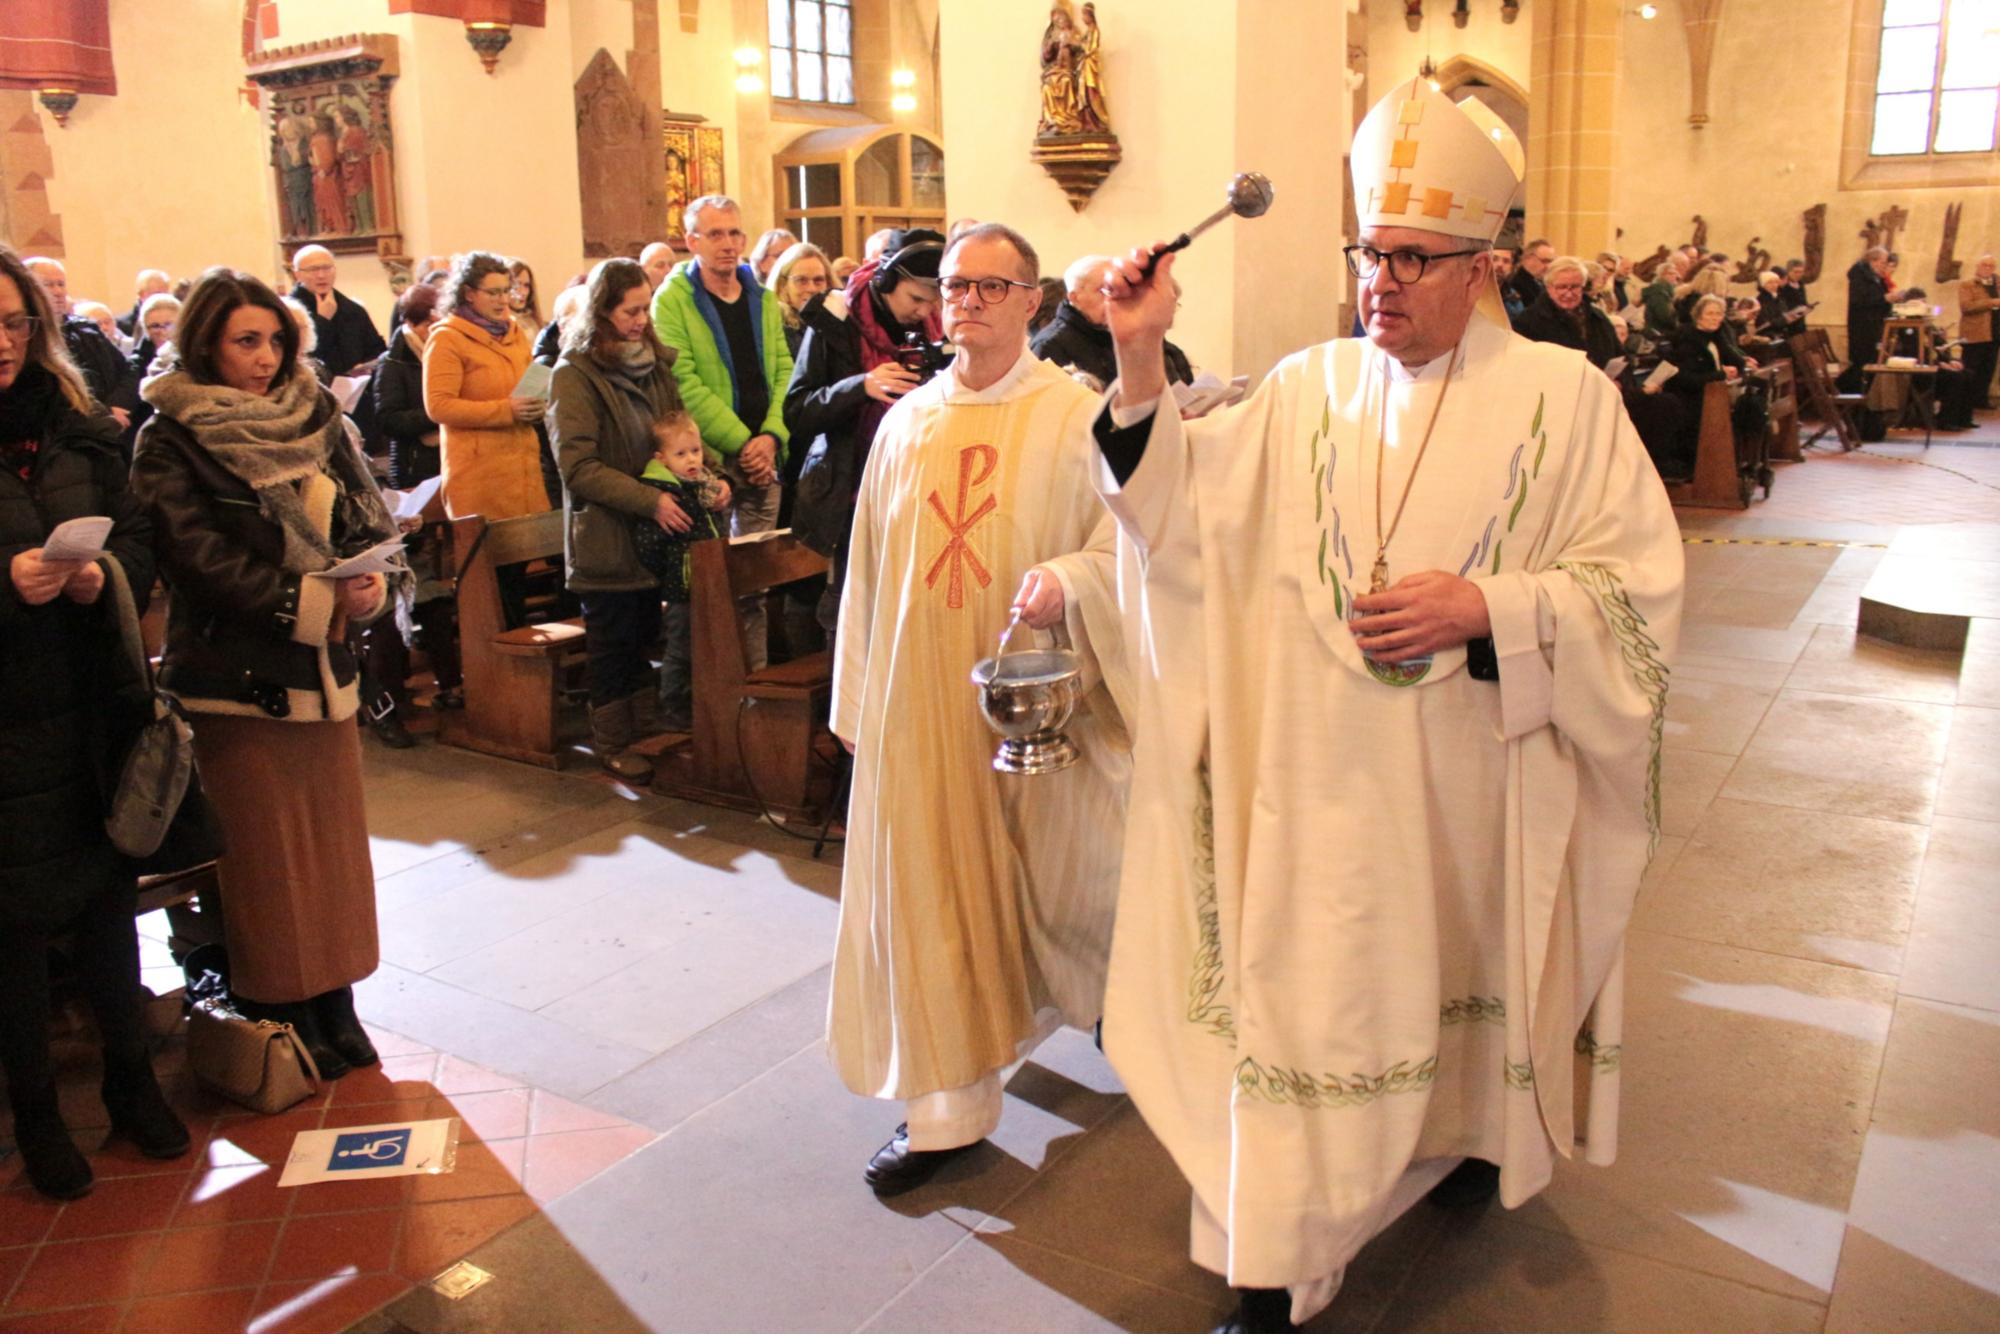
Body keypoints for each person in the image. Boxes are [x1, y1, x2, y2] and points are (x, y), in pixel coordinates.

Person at [1080, 79, 1682, 1333]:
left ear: (1484, 267)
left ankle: (1458, 1132)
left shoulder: (1568, 401)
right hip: (1317, 786)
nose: (1380, 281)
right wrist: (1136, 350)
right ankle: (1281, 1250)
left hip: (1473, 775)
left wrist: (1491, 610)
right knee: (1311, 1002)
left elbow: (1635, 594)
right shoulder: (1310, 387)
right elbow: (1173, 516)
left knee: (1457, 989)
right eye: (1369, 252)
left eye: (1412, 258)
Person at [828, 222, 1127, 1196]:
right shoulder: (908, 421)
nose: (967, 302)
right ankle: (948, 1105)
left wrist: (1069, 575)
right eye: (954, 286)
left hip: (1040, 704)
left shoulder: (1075, 414)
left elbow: (1125, 544)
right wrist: (861, 698)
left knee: (1053, 878)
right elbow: (868, 571)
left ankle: (1095, 1014)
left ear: (1031, 300)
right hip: (922, 709)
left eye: (991, 286)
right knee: (930, 891)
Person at [131, 266, 401, 1083]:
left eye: (275, 339)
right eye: (246, 340)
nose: (265, 356)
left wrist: (370, 581)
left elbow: (362, 511)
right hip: (238, 679)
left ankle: (336, 1000)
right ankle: (281, 1008)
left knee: (333, 854)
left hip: (325, 676)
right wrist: (310, 602)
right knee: (267, 861)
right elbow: (196, 557)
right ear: (205, 342)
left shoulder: (313, 413)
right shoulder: (170, 435)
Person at [0, 246, 190, 1201]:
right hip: (3, 722)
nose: (1, 342)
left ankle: (130, 1085)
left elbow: (142, 533)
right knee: (18, 936)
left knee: (109, 908)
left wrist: (101, 576)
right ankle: (36, 1113)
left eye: (14, 322)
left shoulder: (77, 427)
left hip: (89, 705)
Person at [550, 258, 689, 778]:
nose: (640, 320)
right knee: (612, 642)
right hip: (606, 533)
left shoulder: (653, 365)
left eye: (645, 308)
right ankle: (611, 742)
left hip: (652, 533)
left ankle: (645, 730)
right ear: (602, 310)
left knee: (643, 634)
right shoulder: (574, 374)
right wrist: (649, 499)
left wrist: (704, 473)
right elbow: (578, 467)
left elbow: (677, 431)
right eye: (631, 310)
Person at [652, 195, 792, 670]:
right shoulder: (672, 302)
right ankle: (715, 688)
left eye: (735, 233)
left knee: (756, 582)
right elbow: (683, 382)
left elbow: (784, 371)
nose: (728, 245)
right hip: (707, 460)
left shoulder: (762, 297)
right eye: (715, 234)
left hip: (765, 457)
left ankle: (753, 680)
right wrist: (742, 443)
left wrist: (771, 436)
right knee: (712, 587)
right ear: (691, 241)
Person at [786, 228, 945, 633]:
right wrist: (861, 386)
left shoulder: (936, 327)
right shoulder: (835, 320)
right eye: (916, 299)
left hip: (915, 491)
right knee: (852, 618)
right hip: (850, 492)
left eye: (934, 302)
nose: (926, 313)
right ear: (886, 282)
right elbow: (798, 410)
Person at [369, 280, 462, 718]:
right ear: (412, 323)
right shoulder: (394, 363)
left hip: (442, 468)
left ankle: (452, 683)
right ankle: (396, 690)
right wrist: (441, 408)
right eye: (431, 324)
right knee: (409, 582)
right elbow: (388, 419)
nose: (437, 330)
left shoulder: (446, 353)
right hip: (410, 473)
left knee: (435, 588)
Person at [424, 251, 547, 520]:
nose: (503, 300)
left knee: (535, 554)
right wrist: (506, 411)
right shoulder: (448, 339)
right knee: (491, 559)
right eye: (493, 293)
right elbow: (439, 406)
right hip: (479, 477)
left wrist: (539, 403)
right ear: (469, 293)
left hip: (524, 471)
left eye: (506, 291)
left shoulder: (514, 334)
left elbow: (527, 386)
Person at [634, 411, 731, 729]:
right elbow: (649, 544)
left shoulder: (703, 486)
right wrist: (676, 569)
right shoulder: (665, 493)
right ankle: (673, 708)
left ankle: (704, 704)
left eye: (695, 450)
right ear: (661, 459)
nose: (692, 459)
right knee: (681, 649)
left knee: (707, 647)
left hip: (711, 581)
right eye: (680, 454)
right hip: (682, 586)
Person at [1032, 253, 1192, 389]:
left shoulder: (1125, 332)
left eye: (1118, 288)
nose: (1115, 297)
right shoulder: (1049, 345)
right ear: (1075, 297)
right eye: (1104, 290)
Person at [23, 256, 138, 431]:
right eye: (48, 285)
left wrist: (117, 405)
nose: (58, 291)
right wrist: (104, 414)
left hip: (113, 422)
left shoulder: (85, 330)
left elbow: (127, 370)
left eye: (61, 284)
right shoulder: (27, 337)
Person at [288, 245, 387, 379]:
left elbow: (378, 351)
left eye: (327, 268)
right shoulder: (290, 310)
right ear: (297, 274)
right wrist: (323, 320)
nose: (321, 275)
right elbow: (301, 356)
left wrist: (364, 367)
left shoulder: (353, 309)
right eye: (313, 270)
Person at [125, 293, 182, 439]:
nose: (163, 331)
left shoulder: (193, 358)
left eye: (169, 325)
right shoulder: (138, 363)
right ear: (146, 331)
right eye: (155, 326)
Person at [1842, 245, 1897, 392]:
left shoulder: (1875, 277)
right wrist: (1885, 298)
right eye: (1883, 262)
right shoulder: (1859, 275)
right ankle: (1849, 399)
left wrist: (1889, 299)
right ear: (1873, 261)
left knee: (1870, 364)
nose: (1885, 266)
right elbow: (1859, 300)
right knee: (1862, 365)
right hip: (1863, 328)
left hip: (1874, 326)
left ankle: (1865, 402)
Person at [768, 241, 834, 357]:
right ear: (783, 285)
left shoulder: (837, 324)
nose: (811, 288)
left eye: (818, 280)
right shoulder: (775, 327)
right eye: (801, 280)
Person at [1958, 254, 1995, 412]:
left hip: (1994, 332)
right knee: (1972, 367)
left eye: (1991, 266)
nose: (1987, 269)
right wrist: (1991, 302)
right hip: (1975, 332)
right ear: (1977, 267)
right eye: (1984, 265)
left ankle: (1981, 399)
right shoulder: (1967, 285)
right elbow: (1966, 306)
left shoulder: (1997, 284)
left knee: (1988, 368)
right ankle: (1965, 400)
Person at [118, 268, 171, 338]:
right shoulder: (123, 325)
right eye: (157, 294)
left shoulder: (176, 321)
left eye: (166, 294)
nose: (163, 298)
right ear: (141, 294)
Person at [1505, 236, 1551, 312]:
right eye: (1544, 261)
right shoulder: (1517, 284)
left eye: (1550, 262)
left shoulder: (1542, 283)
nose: (1548, 266)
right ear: (1528, 259)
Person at [508, 258, 544, 342]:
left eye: (526, 285)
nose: (523, 292)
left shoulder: (533, 320)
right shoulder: (501, 324)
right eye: (517, 285)